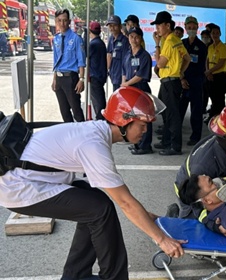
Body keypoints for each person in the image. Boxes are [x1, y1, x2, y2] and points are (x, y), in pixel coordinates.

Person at [0, 87, 185, 279]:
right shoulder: (94, 145)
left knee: (96, 203)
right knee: (99, 209)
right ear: (125, 120)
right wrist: (162, 239)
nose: (146, 131)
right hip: (20, 188)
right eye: (142, 124)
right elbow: (125, 203)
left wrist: (144, 215)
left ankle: (75, 275)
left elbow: (123, 198)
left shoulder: (96, 132)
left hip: (34, 180)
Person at [151, 11, 190, 156]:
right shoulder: (175, 40)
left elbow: (160, 64)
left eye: (159, 25)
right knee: (166, 112)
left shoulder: (168, 42)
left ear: (168, 25)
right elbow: (187, 58)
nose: (157, 28)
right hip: (169, 81)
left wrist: (156, 45)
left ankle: (175, 146)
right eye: (156, 25)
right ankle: (167, 141)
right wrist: (181, 72)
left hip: (170, 82)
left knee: (172, 114)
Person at [121, 27, 154, 155]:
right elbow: (124, 70)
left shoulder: (144, 55)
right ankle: (137, 143)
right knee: (134, 118)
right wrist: (124, 84)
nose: (134, 39)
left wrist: (126, 84)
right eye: (131, 37)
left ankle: (145, 146)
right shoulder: (128, 54)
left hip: (141, 89)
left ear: (141, 39)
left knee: (144, 118)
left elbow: (141, 75)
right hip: (130, 89)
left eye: (136, 37)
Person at [51, 9, 86, 123]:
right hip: (60, 78)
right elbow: (56, 61)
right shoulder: (56, 39)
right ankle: (70, 137)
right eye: (59, 20)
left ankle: (83, 135)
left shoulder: (76, 39)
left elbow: (81, 61)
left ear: (69, 21)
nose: (62, 23)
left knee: (76, 110)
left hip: (71, 78)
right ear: (56, 21)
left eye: (65, 20)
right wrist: (55, 79)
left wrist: (81, 79)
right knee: (64, 111)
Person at [180, 16, 208, 146]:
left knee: (196, 111)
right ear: (185, 28)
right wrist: (182, 79)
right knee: (179, 111)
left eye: (193, 27)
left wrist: (193, 80)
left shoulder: (202, 46)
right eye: (189, 27)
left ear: (197, 28)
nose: (191, 30)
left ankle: (195, 137)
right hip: (181, 82)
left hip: (196, 82)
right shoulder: (181, 44)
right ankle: (175, 136)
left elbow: (202, 66)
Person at [205, 24, 226, 120]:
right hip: (210, 75)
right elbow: (207, 60)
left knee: (219, 99)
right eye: (213, 33)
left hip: (219, 76)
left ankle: (221, 119)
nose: (215, 35)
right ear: (210, 34)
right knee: (213, 98)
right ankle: (213, 117)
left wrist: (210, 71)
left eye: (217, 33)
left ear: (220, 34)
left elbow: (221, 63)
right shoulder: (210, 47)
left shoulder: (223, 47)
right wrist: (208, 71)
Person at [88, 21, 107, 120]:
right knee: (99, 99)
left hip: (94, 76)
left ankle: (101, 121)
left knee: (97, 102)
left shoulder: (93, 45)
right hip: (101, 76)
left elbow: (85, 56)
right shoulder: (101, 43)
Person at [107, 15, 130, 92]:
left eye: (114, 26)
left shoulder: (125, 41)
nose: (112, 28)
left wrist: (124, 79)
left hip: (121, 77)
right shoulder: (111, 39)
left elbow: (125, 62)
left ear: (120, 26)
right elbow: (109, 54)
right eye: (110, 26)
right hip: (113, 76)